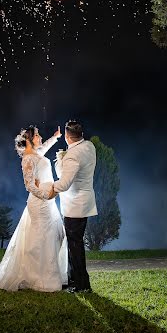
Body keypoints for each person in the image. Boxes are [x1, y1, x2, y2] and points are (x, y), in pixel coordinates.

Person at [0, 125, 67, 292]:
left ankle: (48, 272)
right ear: (29, 139)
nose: (40, 137)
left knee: (54, 234)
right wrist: (46, 195)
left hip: (48, 201)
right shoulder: (28, 158)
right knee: (42, 238)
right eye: (37, 135)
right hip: (41, 202)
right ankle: (37, 277)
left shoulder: (35, 154)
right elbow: (29, 185)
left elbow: (44, 147)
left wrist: (55, 137)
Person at [49, 120, 97, 293]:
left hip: (75, 205)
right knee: (75, 243)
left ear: (68, 137)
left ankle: (82, 285)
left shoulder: (72, 155)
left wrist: (51, 184)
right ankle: (74, 280)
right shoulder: (89, 146)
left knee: (75, 245)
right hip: (85, 201)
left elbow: (64, 183)